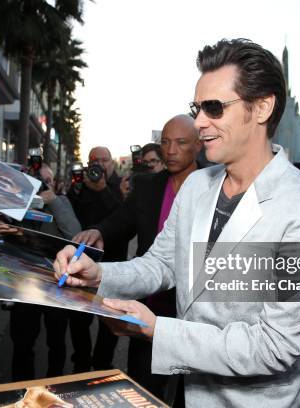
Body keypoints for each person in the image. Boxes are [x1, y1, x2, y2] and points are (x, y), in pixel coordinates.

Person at [54, 38, 300, 407]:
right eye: (197, 108)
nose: (200, 122)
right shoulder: (196, 187)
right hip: (184, 390)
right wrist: (100, 275)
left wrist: (158, 330)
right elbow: (161, 263)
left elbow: (274, 346)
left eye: (214, 108)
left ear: (262, 107)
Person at [73, 114, 201, 400]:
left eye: (180, 143)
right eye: (165, 142)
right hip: (150, 302)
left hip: (193, 313)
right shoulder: (146, 185)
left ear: (198, 144)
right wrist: (98, 231)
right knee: (144, 388)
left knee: (187, 393)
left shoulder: (217, 185)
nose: (170, 150)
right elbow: (123, 219)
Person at [10, 164, 82, 380]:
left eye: (47, 181)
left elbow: (75, 234)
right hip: (24, 284)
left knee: (57, 342)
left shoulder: (61, 201)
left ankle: (54, 387)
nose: (42, 185)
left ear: (54, 183)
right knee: (22, 344)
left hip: (55, 285)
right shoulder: (19, 204)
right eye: (37, 180)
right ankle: (20, 392)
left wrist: (53, 201)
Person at [66, 146, 128, 372]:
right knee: (79, 323)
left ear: (112, 163)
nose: (100, 165)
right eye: (95, 160)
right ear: (88, 162)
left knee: (109, 326)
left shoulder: (122, 185)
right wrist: (78, 188)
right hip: (81, 268)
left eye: (105, 160)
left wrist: (103, 189)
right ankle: (80, 365)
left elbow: (124, 221)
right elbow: (70, 217)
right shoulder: (79, 184)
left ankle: (103, 368)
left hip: (112, 267)